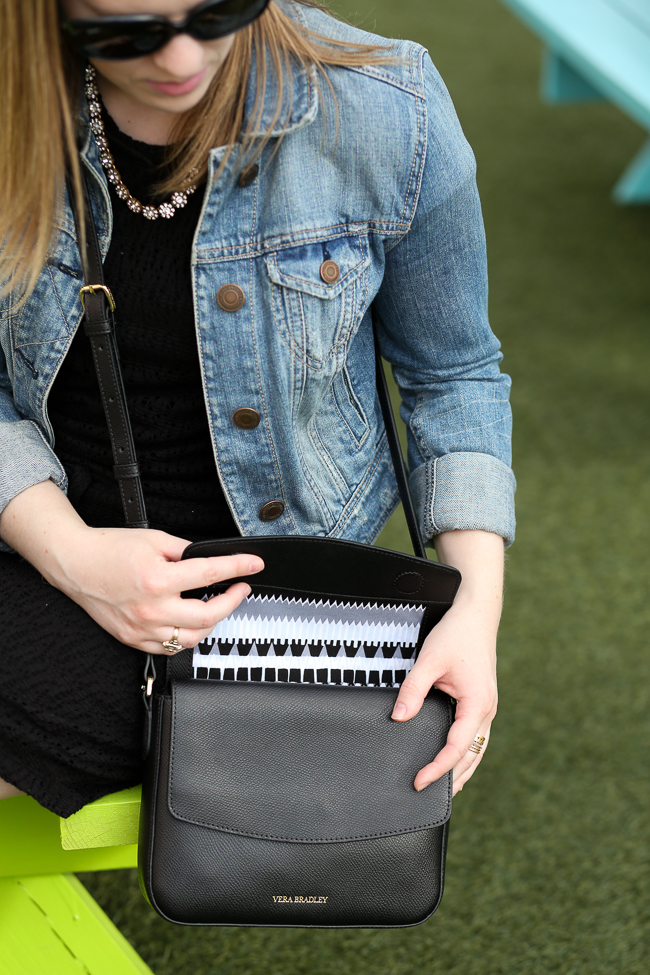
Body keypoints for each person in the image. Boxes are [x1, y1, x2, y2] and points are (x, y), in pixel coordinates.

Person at [0, 0, 515, 818]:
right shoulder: (15, 101)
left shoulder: (387, 105)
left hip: (259, 604)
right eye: (123, 32)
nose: (178, 55)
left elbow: (453, 375)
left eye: (216, 10)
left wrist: (475, 610)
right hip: (34, 521)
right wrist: (70, 554)